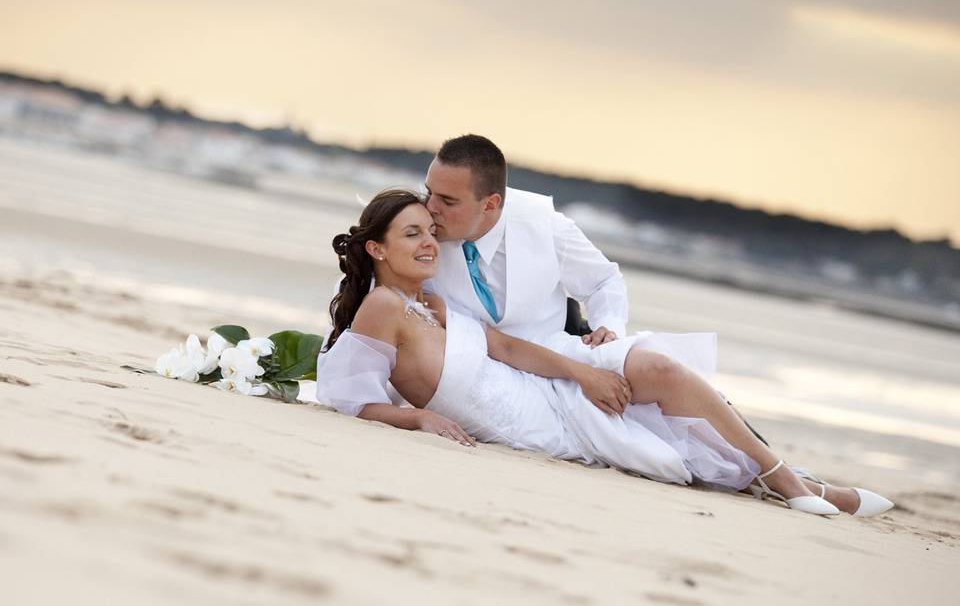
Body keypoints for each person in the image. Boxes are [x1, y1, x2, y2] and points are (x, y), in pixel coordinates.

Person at [307, 189, 894, 517]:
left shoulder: (431, 302)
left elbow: (508, 346)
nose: (430, 241)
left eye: (430, 230)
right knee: (649, 437)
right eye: (413, 233)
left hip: (542, 386)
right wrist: (416, 417)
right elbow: (347, 396)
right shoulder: (385, 306)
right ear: (377, 249)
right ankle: (807, 490)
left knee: (657, 371)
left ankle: (790, 481)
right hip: (530, 425)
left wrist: (583, 372)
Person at [424, 134, 770, 443]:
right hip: (488, 376)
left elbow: (604, 280)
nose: (431, 208)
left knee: (666, 392)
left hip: (561, 351)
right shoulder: (418, 232)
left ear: (491, 203)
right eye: (429, 193)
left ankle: (777, 467)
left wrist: (609, 326)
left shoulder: (547, 227)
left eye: (448, 200)